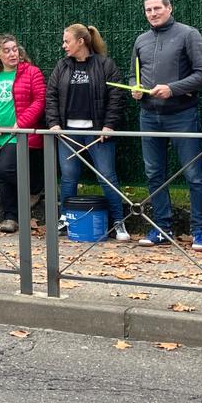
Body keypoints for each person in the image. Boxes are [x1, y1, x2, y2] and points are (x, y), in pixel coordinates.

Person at [130, 0, 202, 249]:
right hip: (149, 115)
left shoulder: (189, 34)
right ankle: (161, 228)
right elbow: (133, 73)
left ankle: (200, 232)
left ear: (169, 8)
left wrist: (173, 88)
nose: (153, 14)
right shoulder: (141, 39)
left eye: (157, 8)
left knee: (194, 174)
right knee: (154, 174)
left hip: (182, 115)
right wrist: (134, 87)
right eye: (148, 10)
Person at [44, 24, 130, 242]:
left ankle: (119, 222)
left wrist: (109, 125)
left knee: (107, 177)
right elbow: (51, 95)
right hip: (67, 133)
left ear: (81, 42)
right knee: (69, 177)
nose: (64, 46)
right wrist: (54, 124)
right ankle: (65, 218)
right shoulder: (62, 66)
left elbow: (117, 96)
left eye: (67, 41)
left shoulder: (105, 64)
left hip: (98, 133)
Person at [0, 34, 46, 235]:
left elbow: (39, 100)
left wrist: (20, 124)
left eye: (14, 49)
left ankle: (34, 188)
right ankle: (10, 218)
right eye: (6, 50)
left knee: (5, 170)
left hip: (21, 134)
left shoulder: (32, 72)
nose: (12, 53)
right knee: (1, 177)